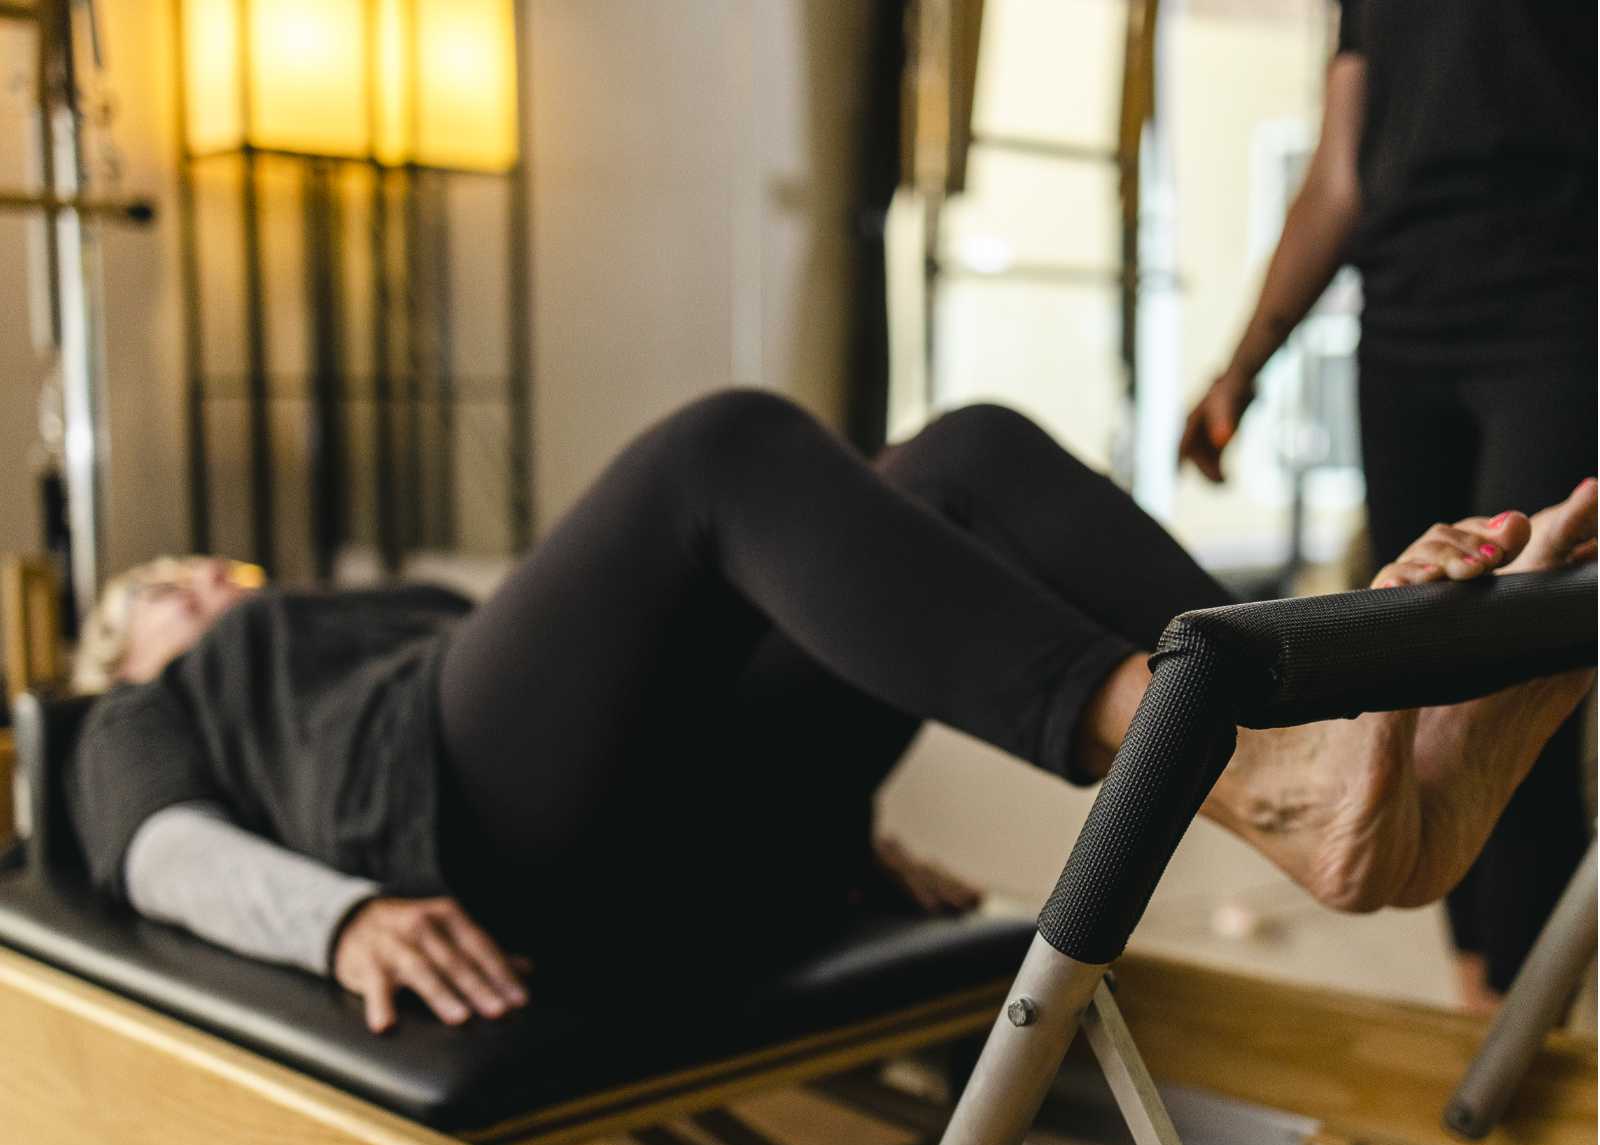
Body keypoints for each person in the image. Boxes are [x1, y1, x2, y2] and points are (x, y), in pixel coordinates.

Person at [67, 393, 1595, 1033]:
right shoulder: (144, 713)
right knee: (720, 448)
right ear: (118, 660)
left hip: (643, 825)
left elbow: (610, 707)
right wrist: (338, 923)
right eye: (164, 589)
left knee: (964, 456)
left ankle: (1317, 715)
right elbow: (161, 860)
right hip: (452, 841)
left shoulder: (383, 620)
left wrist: (833, 829)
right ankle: (1261, 759)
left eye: (206, 570)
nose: (204, 576)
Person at [1176, 1, 1596, 1010]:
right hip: (1401, 333)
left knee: (1515, 678)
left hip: (1558, 313)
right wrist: (1245, 361)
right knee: (1426, 659)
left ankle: (1518, 1026)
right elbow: (1338, 176)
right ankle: (1473, 1005)